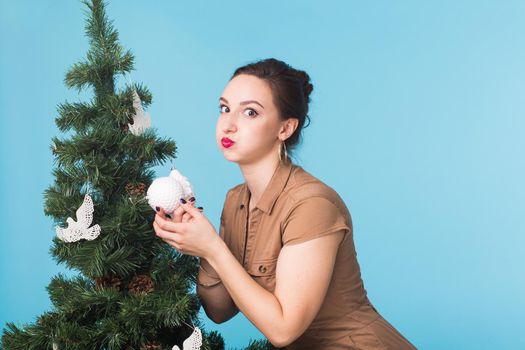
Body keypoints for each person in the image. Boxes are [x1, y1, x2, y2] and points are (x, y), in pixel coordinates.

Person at [153, 58, 417, 349]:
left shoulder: (312, 204)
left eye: (250, 112)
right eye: (224, 108)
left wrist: (213, 249)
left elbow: (282, 330)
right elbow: (219, 311)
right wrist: (203, 246)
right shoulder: (236, 200)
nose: (228, 125)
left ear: (285, 128)